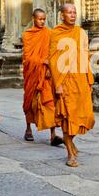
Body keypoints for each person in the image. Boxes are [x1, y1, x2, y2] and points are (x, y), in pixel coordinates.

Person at [49, 4, 95, 167]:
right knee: (68, 118)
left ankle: (71, 142)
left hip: (81, 78)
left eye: (75, 12)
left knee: (86, 116)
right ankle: (70, 154)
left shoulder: (81, 33)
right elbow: (54, 61)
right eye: (69, 12)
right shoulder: (56, 33)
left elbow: (85, 55)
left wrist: (89, 79)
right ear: (62, 15)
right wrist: (58, 84)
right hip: (65, 81)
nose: (73, 15)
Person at [22, 8, 63, 146]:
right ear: (33, 18)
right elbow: (27, 58)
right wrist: (41, 61)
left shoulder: (49, 33)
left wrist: (49, 67)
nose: (42, 21)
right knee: (30, 102)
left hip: (46, 75)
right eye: (39, 19)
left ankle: (53, 135)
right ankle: (28, 130)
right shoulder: (28, 35)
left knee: (49, 102)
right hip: (32, 74)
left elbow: (53, 53)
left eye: (44, 19)